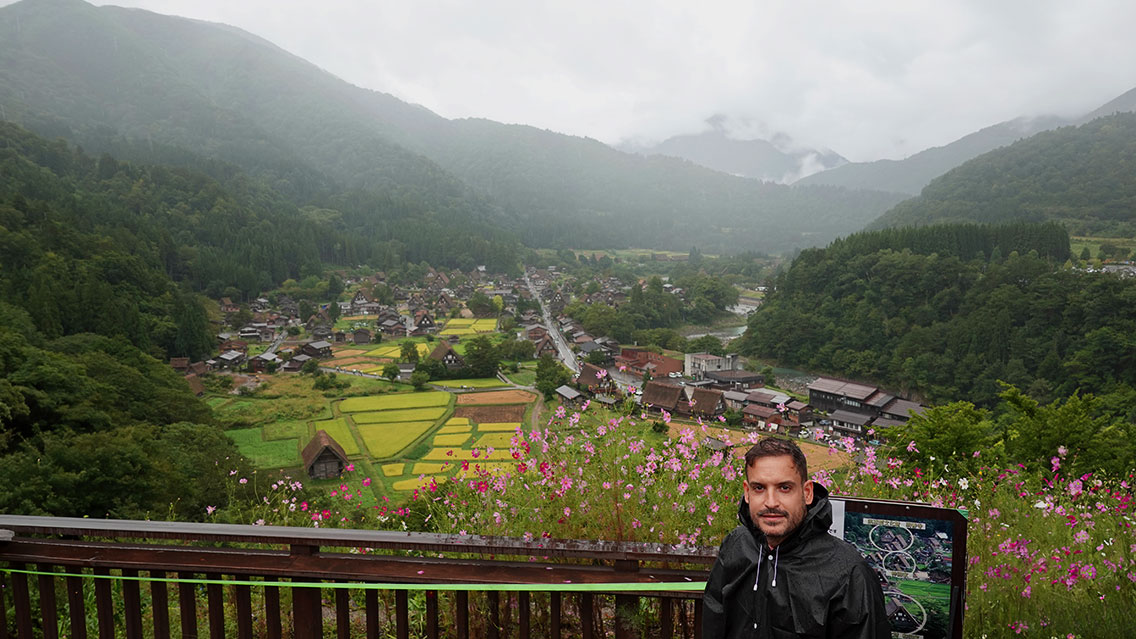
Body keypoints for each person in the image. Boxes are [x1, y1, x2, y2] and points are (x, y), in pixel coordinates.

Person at [703, 438, 889, 638]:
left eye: (785, 488)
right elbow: (714, 621)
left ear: (807, 493)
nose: (771, 502)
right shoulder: (736, 545)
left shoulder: (849, 574)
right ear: (747, 493)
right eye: (759, 488)